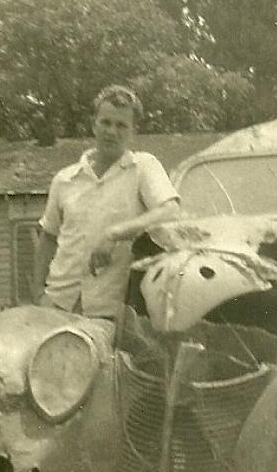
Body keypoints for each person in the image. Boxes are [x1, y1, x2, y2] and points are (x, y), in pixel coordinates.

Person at [32, 85, 181, 317]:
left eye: (121, 125)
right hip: (57, 302)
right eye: (106, 122)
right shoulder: (65, 179)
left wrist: (115, 233)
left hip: (109, 309)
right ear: (94, 124)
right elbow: (48, 237)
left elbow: (170, 211)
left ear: (133, 131)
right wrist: (37, 293)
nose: (112, 131)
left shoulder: (143, 168)